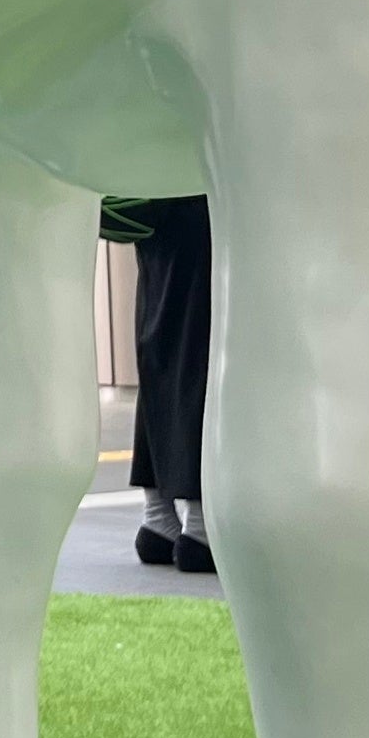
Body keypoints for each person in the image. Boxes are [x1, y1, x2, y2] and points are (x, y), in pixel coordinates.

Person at [112, 197, 214, 573]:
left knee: (161, 341)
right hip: (197, 198)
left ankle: (158, 515)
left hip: (156, 196)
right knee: (198, 345)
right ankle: (200, 522)